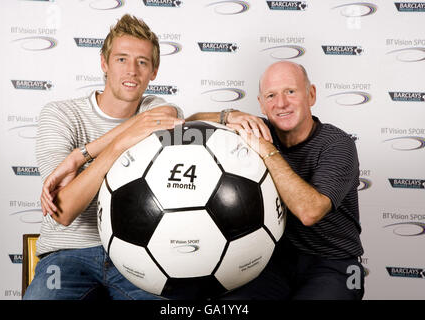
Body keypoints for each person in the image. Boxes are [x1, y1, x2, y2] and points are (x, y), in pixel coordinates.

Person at [24, 14, 184, 300]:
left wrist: (80, 156)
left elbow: (166, 116)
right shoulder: (60, 114)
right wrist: (115, 148)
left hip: (138, 253)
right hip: (67, 255)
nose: (131, 71)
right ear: (104, 63)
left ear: (154, 72)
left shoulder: (155, 108)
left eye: (142, 62)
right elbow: (64, 211)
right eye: (121, 59)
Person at [187, 61, 364, 300]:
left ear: (311, 95)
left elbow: (309, 211)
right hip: (273, 262)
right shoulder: (257, 129)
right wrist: (229, 115)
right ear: (261, 103)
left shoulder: (337, 144)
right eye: (271, 95)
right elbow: (188, 126)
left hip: (334, 264)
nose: (280, 103)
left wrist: (267, 151)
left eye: (290, 92)